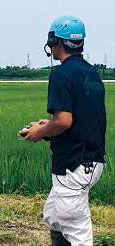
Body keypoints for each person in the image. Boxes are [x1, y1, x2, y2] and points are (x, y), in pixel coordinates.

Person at [19, 16, 106, 246]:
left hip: (74, 164)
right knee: (54, 216)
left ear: (54, 41)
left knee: (77, 232)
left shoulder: (61, 74)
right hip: (92, 161)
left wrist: (41, 132)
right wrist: (47, 125)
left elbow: (64, 121)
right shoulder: (92, 74)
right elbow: (80, 119)